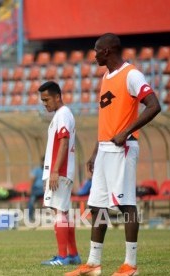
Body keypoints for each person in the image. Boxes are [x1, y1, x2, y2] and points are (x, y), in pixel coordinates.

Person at [66, 33, 161, 276]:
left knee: (127, 205)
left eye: (97, 50)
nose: (94, 54)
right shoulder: (106, 77)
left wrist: (127, 132)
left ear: (107, 51)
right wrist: (96, 151)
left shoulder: (132, 74)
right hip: (105, 150)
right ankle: (93, 263)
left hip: (123, 148)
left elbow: (154, 105)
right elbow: (107, 120)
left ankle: (130, 264)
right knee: (97, 207)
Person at [38, 81, 80, 266]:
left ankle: (62, 257)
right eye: (42, 100)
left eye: (47, 99)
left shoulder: (63, 114)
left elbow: (63, 142)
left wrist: (54, 171)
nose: (44, 103)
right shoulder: (61, 114)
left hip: (60, 171)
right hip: (60, 171)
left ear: (57, 97)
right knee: (63, 212)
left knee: (59, 214)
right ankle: (73, 255)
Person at [28, 156, 44, 222]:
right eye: (43, 161)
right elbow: (32, 179)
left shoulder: (50, 171)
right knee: (31, 200)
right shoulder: (37, 170)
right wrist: (29, 189)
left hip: (47, 190)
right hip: (37, 189)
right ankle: (30, 217)